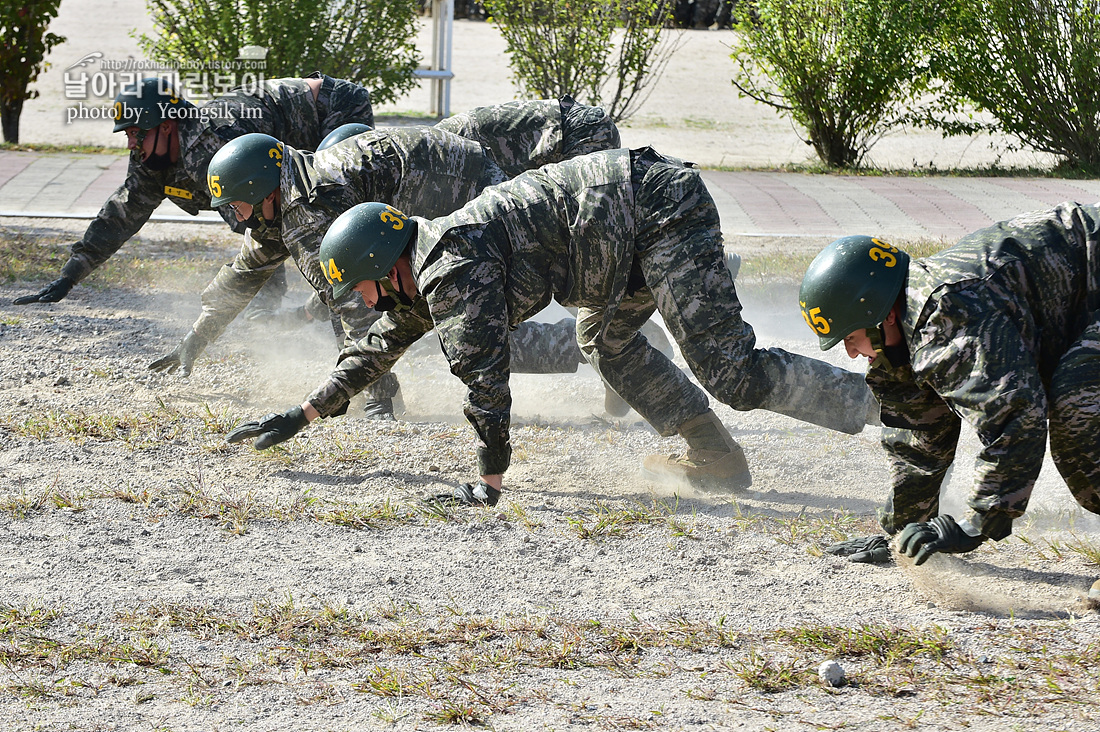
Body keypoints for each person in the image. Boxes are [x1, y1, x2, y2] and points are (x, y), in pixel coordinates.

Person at [225, 148, 877, 506]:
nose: (360, 298)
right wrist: (304, 413)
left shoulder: (451, 268)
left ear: (379, 264)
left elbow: (486, 384)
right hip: (620, 248)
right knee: (605, 342)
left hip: (656, 213)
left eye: (358, 283)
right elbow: (376, 350)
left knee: (728, 368)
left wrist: (490, 483)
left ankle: (884, 401)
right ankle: (716, 456)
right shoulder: (421, 259)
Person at [152, 96, 633, 420]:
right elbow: (242, 275)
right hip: (462, 190)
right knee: (449, 320)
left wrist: (378, 398)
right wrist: (195, 340)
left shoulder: (308, 205)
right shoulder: (282, 201)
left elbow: (353, 308)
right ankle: (605, 347)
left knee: (465, 326)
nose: (233, 220)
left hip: (467, 201)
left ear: (259, 191)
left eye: (234, 206)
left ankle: (608, 347)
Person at [798, 206, 1100, 579]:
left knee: (1079, 401)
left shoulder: (945, 321)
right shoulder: (904, 332)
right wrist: (902, 533)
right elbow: (919, 436)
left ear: (883, 317)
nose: (852, 353)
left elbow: (1016, 415)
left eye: (851, 337)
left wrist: (976, 522)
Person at [12, 73, 374, 308]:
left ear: (166, 126)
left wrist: (264, 303)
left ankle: (372, 299)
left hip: (332, 106)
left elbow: (266, 229)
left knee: (335, 207)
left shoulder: (210, 145)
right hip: (285, 129)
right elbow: (121, 215)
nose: (130, 144)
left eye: (136, 132)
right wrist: (69, 276)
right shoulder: (150, 159)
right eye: (128, 135)